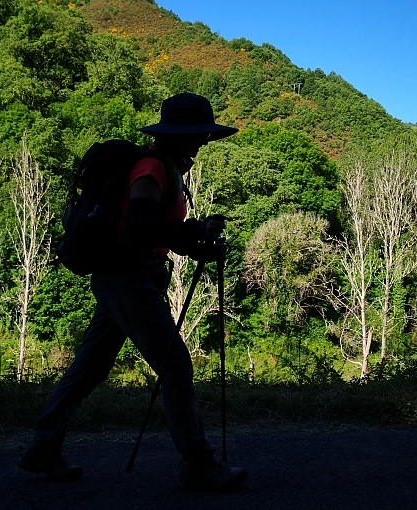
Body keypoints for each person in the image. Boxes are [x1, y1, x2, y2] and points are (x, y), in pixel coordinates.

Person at [19, 93, 248, 491]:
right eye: (196, 134)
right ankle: (196, 462)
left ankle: (43, 448)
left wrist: (196, 246)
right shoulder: (151, 168)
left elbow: (155, 232)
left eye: (203, 135)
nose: (202, 141)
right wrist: (194, 231)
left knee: (89, 368)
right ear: (176, 135)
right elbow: (139, 228)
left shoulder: (163, 167)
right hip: (128, 281)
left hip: (121, 279)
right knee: (175, 366)